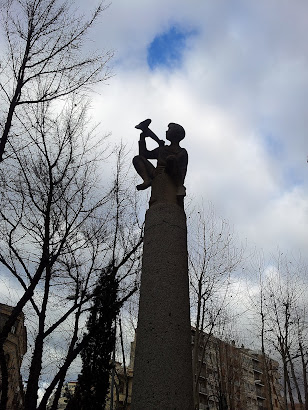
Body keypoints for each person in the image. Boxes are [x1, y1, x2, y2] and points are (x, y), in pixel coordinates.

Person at [133, 122, 188, 202]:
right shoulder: (162, 149)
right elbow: (144, 154)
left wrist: (180, 184)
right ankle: (147, 180)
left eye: (169, 129)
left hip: (174, 175)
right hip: (156, 172)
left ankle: (179, 186)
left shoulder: (182, 151)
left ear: (176, 134)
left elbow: (182, 170)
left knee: (171, 159)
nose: (166, 131)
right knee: (137, 159)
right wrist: (142, 138)